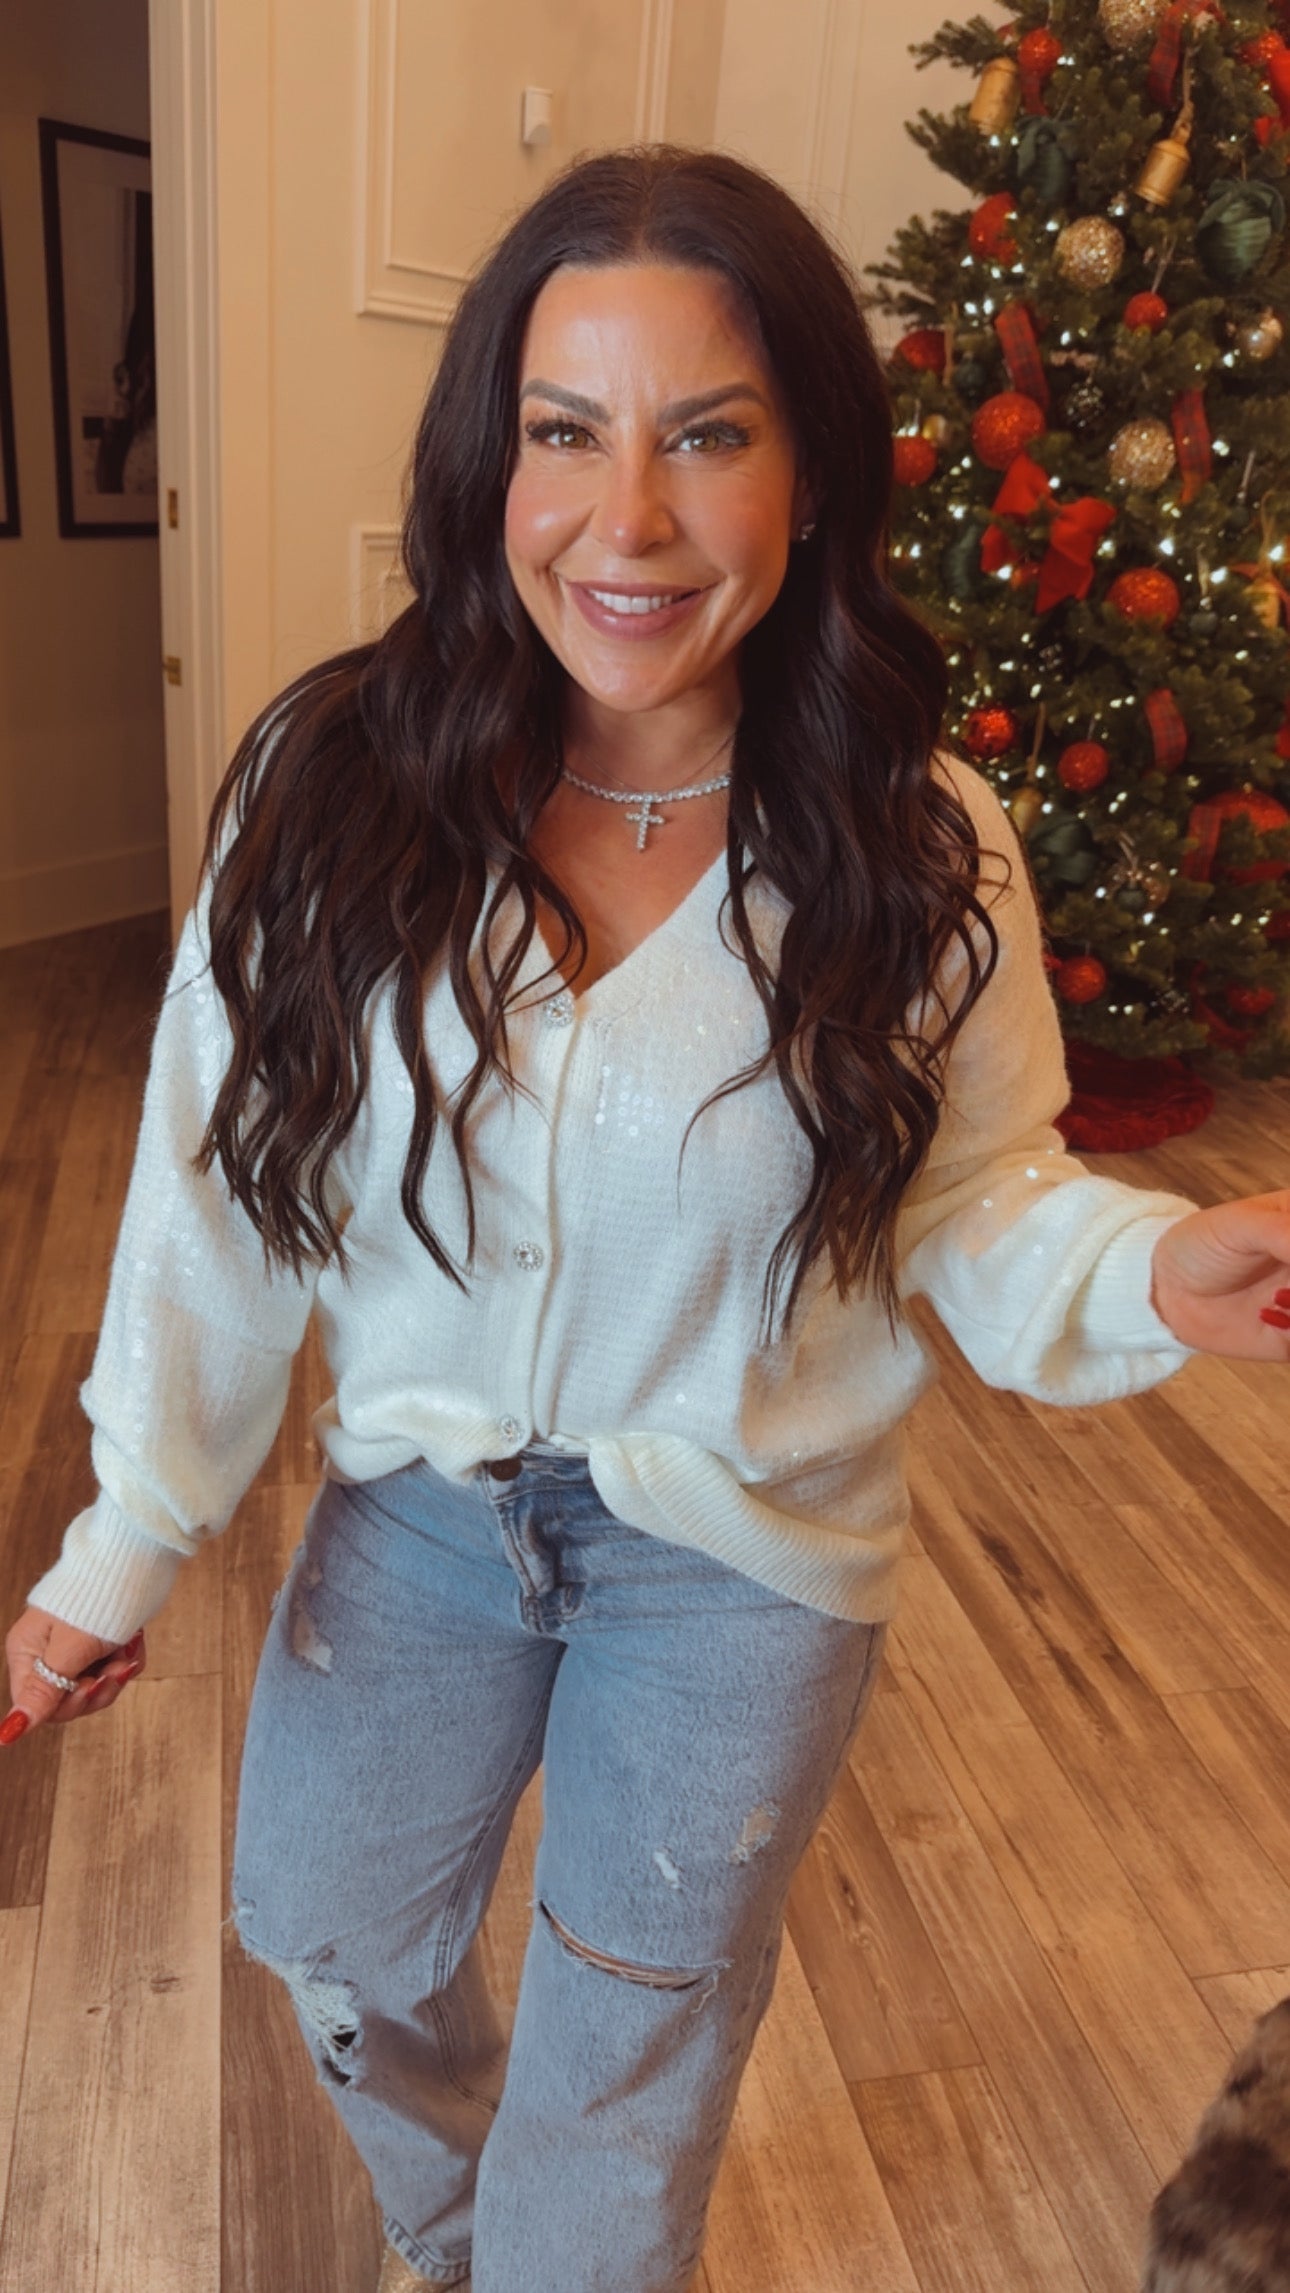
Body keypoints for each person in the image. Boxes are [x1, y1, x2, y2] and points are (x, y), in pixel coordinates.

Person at [4, 145, 1289, 2293]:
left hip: (738, 1553)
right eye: (564, 432)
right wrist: (125, 1532)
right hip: (420, 1513)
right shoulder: (328, 787)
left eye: (705, 435)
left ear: (811, 471)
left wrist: (1149, 1267)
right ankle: (458, 2228)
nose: (626, 519)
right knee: (322, 1920)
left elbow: (974, 1196)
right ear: (487, 461)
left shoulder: (918, 843)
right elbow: (219, 1192)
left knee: (631, 2048)